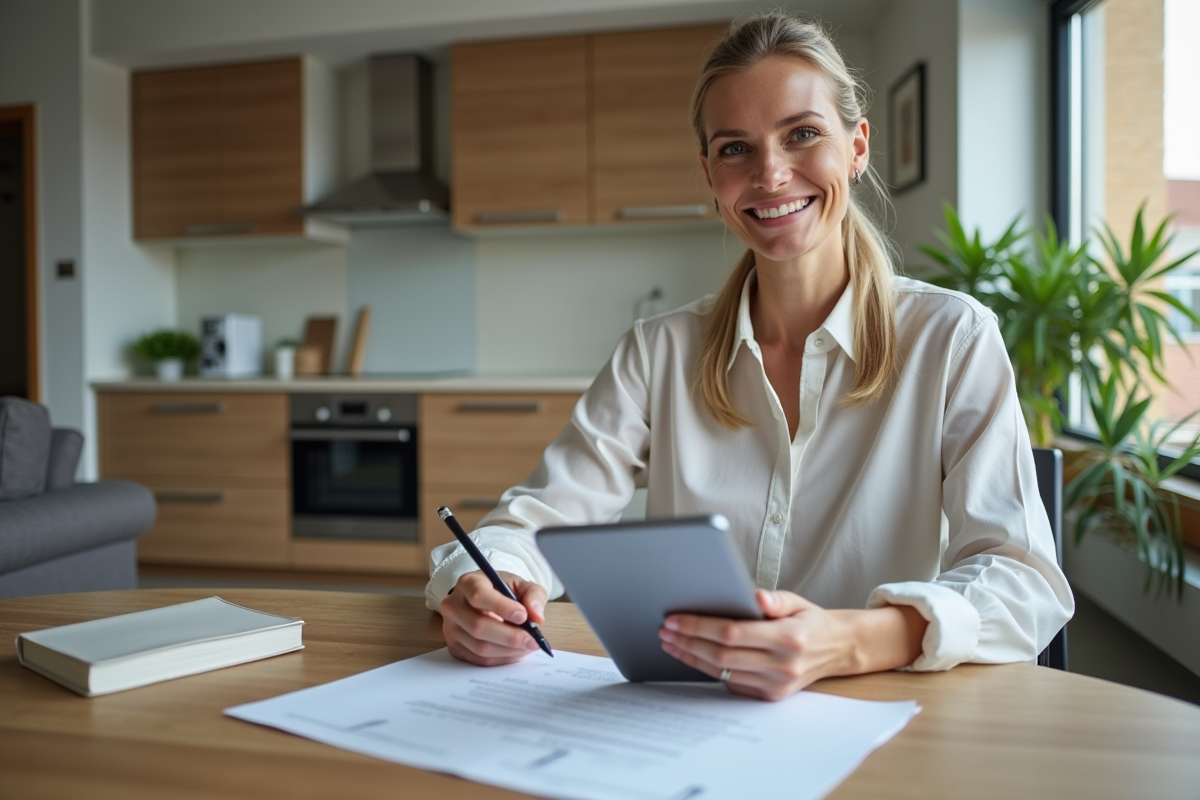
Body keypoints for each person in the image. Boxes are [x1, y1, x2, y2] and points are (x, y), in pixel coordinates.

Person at [426, 11, 1074, 701]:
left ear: (857, 147)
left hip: (877, 715)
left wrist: (851, 638)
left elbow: (1024, 581)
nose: (770, 173)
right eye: (736, 149)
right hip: (688, 715)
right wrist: (482, 585)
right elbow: (538, 522)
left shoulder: (953, 337)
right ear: (710, 175)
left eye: (802, 134)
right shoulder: (658, 352)